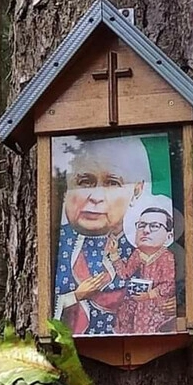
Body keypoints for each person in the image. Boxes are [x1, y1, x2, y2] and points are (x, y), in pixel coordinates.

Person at [53, 137, 150, 335]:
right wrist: (75, 296)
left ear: (137, 190)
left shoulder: (145, 250)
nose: (95, 197)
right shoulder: (52, 246)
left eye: (112, 183)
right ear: (65, 188)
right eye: (84, 182)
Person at [105, 207, 177, 334]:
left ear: (169, 236)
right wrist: (114, 253)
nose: (146, 231)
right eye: (141, 225)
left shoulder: (168, 257)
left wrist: (149, 295)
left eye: (154, 226)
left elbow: (169, 284)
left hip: (158, 305)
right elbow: (125, 273)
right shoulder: (138, 254)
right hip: (137, 304)